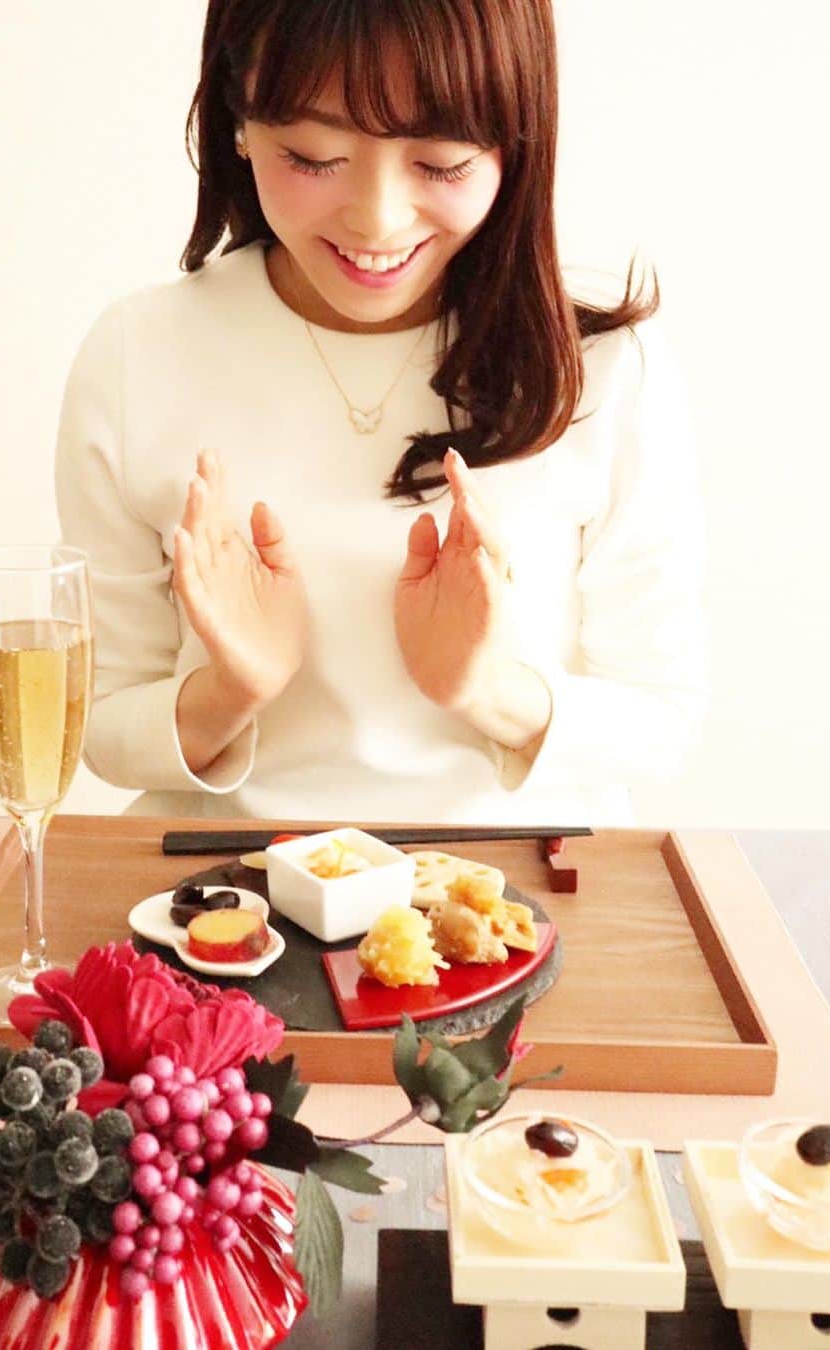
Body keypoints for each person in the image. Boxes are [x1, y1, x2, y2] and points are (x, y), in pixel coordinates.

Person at [55, 0, 706, 827]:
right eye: (314, 156)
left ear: (516, 144)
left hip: (522, 883)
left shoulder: (603, 373)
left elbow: (662, 723)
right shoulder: (136, 352)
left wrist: (486, 689)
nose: (377, 218)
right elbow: (103, 724)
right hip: (222, 885)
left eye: (441, 164)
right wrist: (228, 690)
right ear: (238, 120)